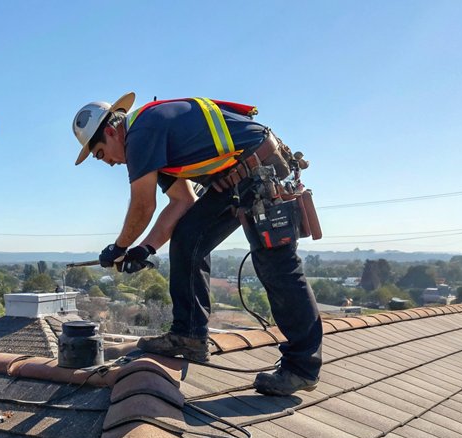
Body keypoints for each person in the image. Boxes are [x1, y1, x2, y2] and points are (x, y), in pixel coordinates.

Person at [72, 93, 322, 396]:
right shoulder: (152, 143)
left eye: (100, 153)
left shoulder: (142, 132)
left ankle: (302, 368)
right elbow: (182, 202)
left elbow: (143, 206)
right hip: (235, 179)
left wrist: (118, 247)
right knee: (188, 236)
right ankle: (189, 335)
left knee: (277, 266)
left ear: (111, 131)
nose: (109, 163)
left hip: (259, 169)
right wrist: (144, 249)